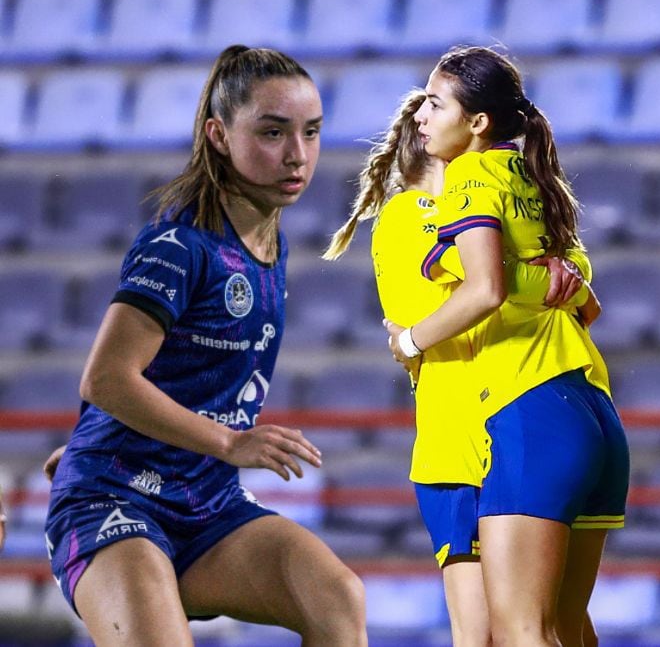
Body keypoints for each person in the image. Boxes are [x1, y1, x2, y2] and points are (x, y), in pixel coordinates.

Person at [43, 45, 366, 646]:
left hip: (207, 505)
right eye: (273, 132)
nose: (298, 154)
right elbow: (107, 379)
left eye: (311, 132)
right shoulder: (179, 244)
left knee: (337, 595)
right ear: (219, 135)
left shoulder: (270, 239)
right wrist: (229, 442)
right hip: (114, 502)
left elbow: (183, 370)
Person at [323, 88, 598, 647]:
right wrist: (542, 272)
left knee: (553, 625)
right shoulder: (408, 216)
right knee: (486, 636)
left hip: (508, 427)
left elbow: (582, 297)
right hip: (457, 446)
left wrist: (557, 267)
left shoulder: (497, 217)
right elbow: (489, 285)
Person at [384, 45, 629, 647]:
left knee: (518, 633)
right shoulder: (534, 180)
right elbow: (583, 298)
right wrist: (542, 279)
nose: (420, 114)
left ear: (477, 123)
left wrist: (409, 341)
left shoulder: (465, 177)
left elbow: (483, 287)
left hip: (525, 412)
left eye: (435, 103)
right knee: (565, 630)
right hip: (593, 411)